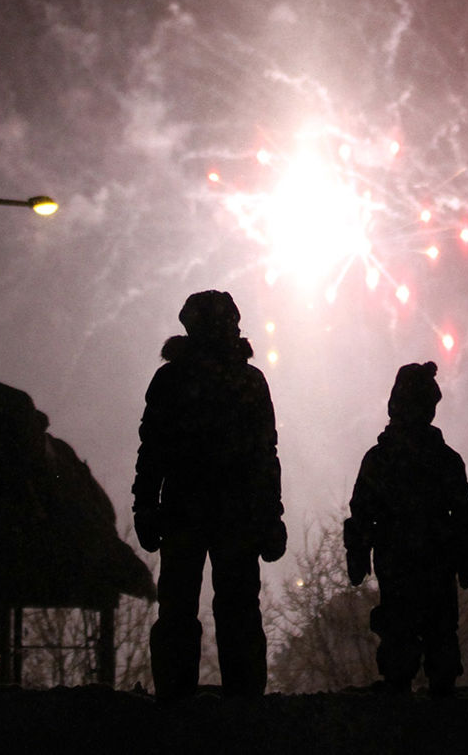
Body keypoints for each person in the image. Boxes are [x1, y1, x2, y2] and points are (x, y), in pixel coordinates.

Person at [132, 290, 287, 698]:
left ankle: (180, 701)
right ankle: (238, 700)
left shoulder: (175, 380)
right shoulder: (245, 381)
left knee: (188, 610)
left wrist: (146, 506)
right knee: (227, 610)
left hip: (191, 511)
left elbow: (153, 451)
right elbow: (264, 456)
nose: (234, 328)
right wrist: (270, 517)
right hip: (225, 514)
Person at [344, 361, 468, 696]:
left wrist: (360, 552)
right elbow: (463, 518)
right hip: (423, 565)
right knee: (427, 648)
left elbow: (362, 513)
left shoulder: (382, 459)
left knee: (410, 649)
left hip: (404, 564)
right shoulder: (443, 460)